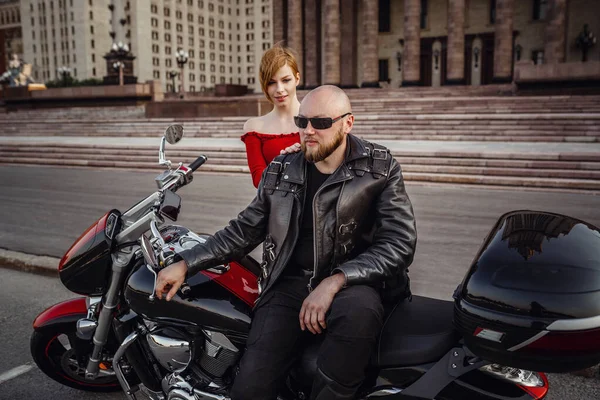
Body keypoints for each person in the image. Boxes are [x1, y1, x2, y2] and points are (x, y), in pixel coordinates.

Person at [156, 85, 417, 400]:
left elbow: (400, 241)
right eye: (301, 121)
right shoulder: (281, 170)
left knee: (357, 317)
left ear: (348, 123)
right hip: (289, 284)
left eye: (320, 123)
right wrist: (185, 264)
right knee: (251, 388)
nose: (308, 131)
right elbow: (243, 230)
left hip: (356, 283)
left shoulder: (378, 166)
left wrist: (337, 280)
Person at [242, 44, 302, 188]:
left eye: (286, 80)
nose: (279, 89)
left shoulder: (315, 120)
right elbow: (259, 180)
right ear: (264, 86)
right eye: (272, 83)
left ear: (297, 79)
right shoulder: (254, 127)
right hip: (275, 208)